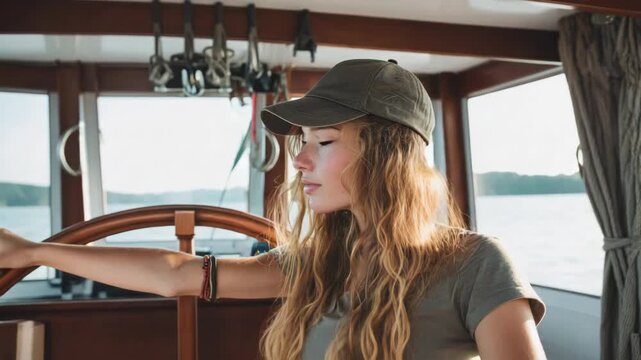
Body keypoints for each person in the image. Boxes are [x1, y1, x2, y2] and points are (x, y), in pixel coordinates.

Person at [0, 59, 546, 360]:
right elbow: (179, 275)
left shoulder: (477, 264)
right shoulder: (317, 263)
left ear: (389, 157)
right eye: (301, 142)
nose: (301, 161)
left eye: (324, 141)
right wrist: (32, 249)